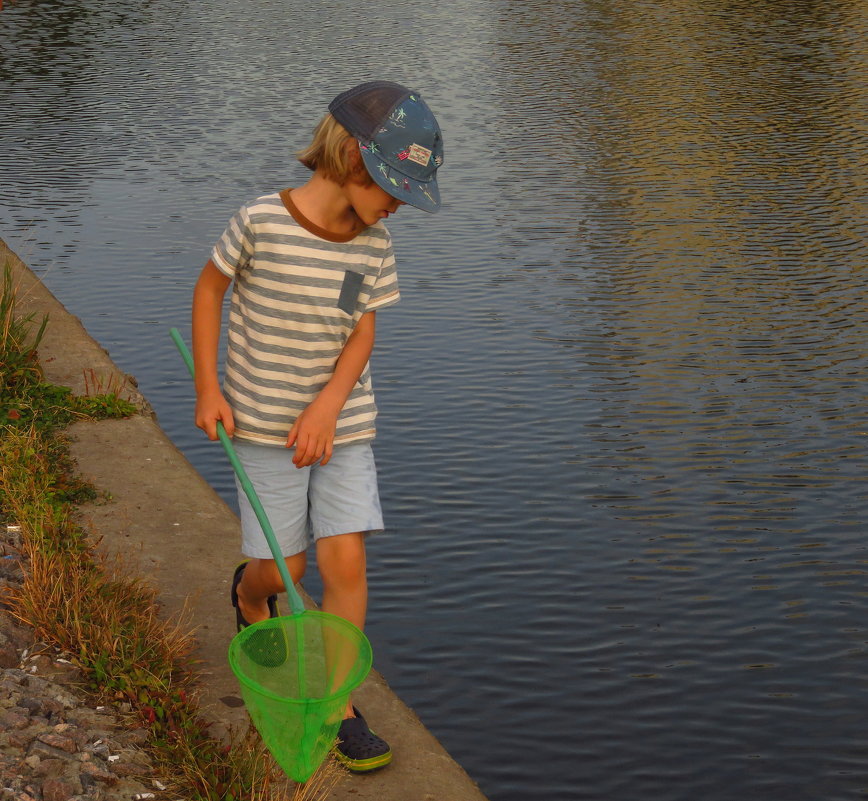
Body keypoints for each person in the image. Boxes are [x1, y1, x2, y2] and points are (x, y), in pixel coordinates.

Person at [190, 81, 444, 773]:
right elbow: (210, 290)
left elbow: (362, 332)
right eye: (394, 188)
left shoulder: (374, 244)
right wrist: (208, 386)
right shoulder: (260, 222)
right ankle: (249, 595)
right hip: (263, 423)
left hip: (343, 422)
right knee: (286, 568)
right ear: (355, 162)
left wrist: (331, 401)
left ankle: (336, 702)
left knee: (344, 561)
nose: (396, 206)